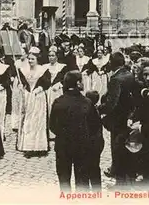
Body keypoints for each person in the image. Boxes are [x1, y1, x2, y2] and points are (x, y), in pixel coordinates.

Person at [49, 71, 101, 192]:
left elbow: (52, 126)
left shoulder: (58, 102)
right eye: (81, 81)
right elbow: (95, 126)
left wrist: (63, 134)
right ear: (78, 83)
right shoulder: (87, 103)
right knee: (82, 180)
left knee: (64, 178)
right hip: (82, 146)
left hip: (62, 145)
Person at [98, 52, 137, 187]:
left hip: (117, 120)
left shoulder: (115, 79)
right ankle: (129, 178)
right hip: (128, 117)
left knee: (117, 150)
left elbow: (112, 103)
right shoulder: (129, 74)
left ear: (111, 63)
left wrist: (100, 109)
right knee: (127, 149)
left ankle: (120, 183)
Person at [16, 47, 51, 157]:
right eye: (29, 59)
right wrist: (21, 86)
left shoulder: (43, 70)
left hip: (38, 98)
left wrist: (39, 89)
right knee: (28, 121)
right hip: (28, 96)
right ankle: (28, 146)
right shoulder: (24, 70)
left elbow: (47, 83)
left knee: (38, 121)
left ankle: (39, 146)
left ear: (37, 60)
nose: (30, 61)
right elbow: (22, 81)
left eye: (32, 59)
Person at [43, 46, 67, 140]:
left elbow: (64, 79)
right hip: (47, 91)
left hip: (57, 91)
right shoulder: (45, 67)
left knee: (57, 110)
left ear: (57, 56)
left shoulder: (62, 67)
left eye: (53, 55)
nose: (51, 57)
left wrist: (60, 84)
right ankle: (49, 132)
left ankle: (58, 131)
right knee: (47, 109)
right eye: (49, 56)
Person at [85, 90, 104, 191]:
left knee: (89, 169)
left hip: (90, 145)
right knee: (95, 168)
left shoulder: (88, 111)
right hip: (97, 144)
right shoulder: (96, 110)